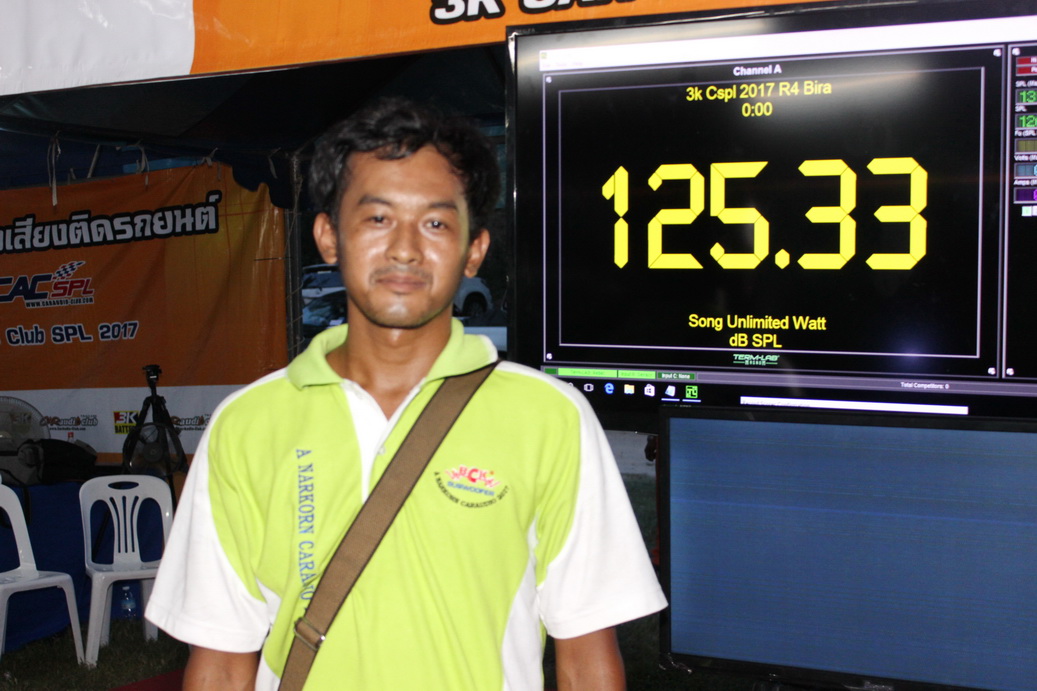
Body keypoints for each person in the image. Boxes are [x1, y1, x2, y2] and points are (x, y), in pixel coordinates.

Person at [146, 97, 666, 690]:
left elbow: (586, 655)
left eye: (436, 223)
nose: (405, 248)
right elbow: (219, 662)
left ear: (475, 250)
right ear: (329, 238)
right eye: (377, 218)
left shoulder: (549, 417)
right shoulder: (248, 423)